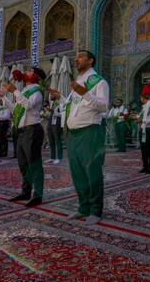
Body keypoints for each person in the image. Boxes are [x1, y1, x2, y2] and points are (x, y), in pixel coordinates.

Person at [50, 50, 109, 225]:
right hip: (73, 134)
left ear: (91, 61)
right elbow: (72, 107)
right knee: (78, 173)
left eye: (81, 57)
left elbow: (104, 106)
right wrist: (60, 97)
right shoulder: (79, 83)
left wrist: (84, 93)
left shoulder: (99, 82)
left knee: (92, 172)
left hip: (90, 132)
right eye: (76, 57)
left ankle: (95, 210)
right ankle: (83, 207)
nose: (77, 59)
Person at [0, 67, 46, 207]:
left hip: (32, 130)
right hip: (20, 131)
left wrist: (15, 91)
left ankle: (37, 194)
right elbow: (16, 109)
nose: (26, 72)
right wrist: (3, 96)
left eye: (30, 71)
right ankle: (25, 191)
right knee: (23, 164)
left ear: (36, 76)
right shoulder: (25, 90)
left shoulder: (37, 90)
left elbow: (28, 105)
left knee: (34, 163)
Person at [0, 88, 12, 158]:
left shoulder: (7, 101)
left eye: (0, 92)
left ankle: (4, 152)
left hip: (3, 122)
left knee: (2, 138)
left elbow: (7, 116)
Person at [46, 94, 64, 164]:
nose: (50, 96)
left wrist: (53, 111)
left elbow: (62, 114)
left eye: (52, 95)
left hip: (57, 123)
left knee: (58, 140)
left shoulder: (60, 103)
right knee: (51, 141)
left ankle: (59, 157)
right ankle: (52, 157)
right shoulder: (52, 103)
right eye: (50, 95)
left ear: (56, 95)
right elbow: (50, 113)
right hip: (50, 122)